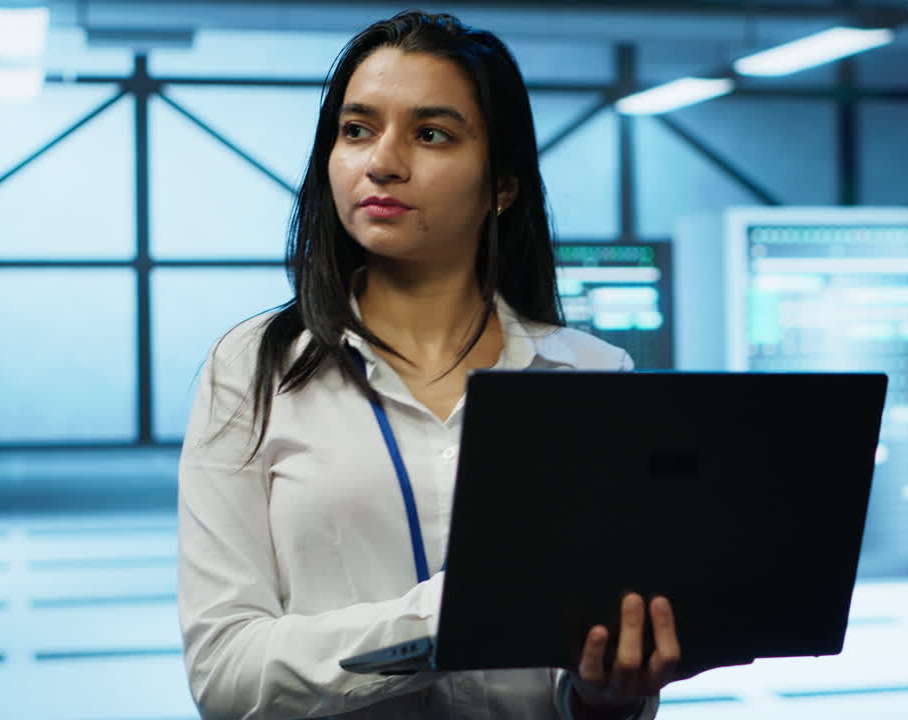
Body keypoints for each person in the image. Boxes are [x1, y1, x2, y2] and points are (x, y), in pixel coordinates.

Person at [176, 10, 683, 720]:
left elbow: (580, 677)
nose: (382, 160)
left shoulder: (593, 378)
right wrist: (448, 616)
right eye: (357, 130)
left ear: (502, 184)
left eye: (432, 133)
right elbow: (226, 675)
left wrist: (604, 696)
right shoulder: (252, 369)